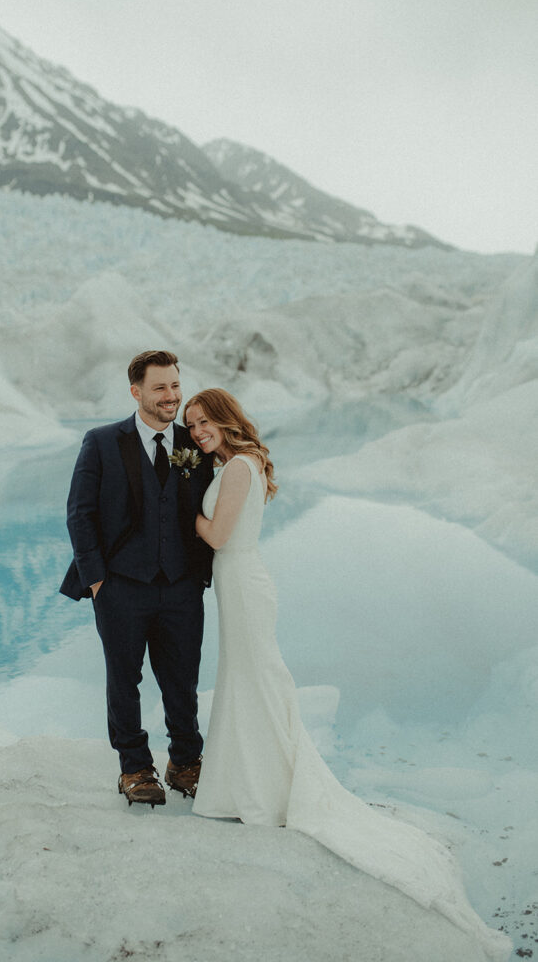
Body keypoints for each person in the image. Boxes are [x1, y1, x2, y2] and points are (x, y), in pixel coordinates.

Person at [183, 387, 510, 962]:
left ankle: (265, 790)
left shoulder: (236, 466)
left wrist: (183, 505)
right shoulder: (242, 462)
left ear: (226, 419)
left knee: (257, 682)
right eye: (192, 425)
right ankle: (249, 783)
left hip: (242, 579)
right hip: (240, 583)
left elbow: (218, 535)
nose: (197, 430)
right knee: (248, 682)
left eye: (204, 420)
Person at [60, 351, 213, 806]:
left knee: (182, 679)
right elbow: (79, 513)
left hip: (182, 586)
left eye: (175, 386)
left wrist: (199, 577)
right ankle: (134, 767)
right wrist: (96, 581)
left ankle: (185, 762)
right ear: (137, 392)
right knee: (124, 679)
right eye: (160, 388)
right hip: (121, 585)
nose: (171, 396)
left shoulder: (194, 444)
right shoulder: (103, 441)